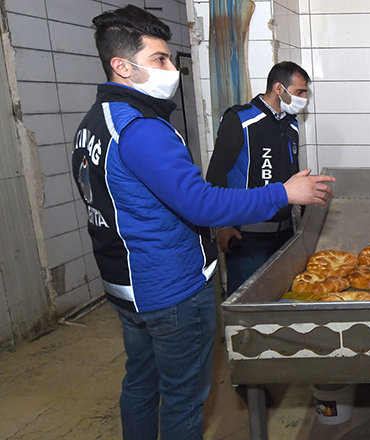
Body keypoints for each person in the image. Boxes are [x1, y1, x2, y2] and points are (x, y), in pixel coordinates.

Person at [71, 6, 334, 440]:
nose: (172, 69)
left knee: (140, 383)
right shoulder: (141, 128)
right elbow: (200, 202)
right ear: (122, 65)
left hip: (125, 285)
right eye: (159, 59)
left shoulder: (94, 124)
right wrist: (284, 194)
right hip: (168, 287)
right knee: (183, 398)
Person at [206, 61, 310, 296]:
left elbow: (292, 175)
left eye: (305, 93)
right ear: (278, 89)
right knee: (247, 303)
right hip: (247, 237)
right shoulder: (240, 120)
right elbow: (216, 174)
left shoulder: (291, 126)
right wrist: (221, 226)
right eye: (299, 92)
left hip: (284, 234)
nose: (304, 99)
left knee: (281, 298)